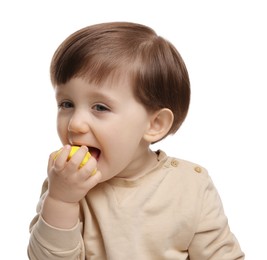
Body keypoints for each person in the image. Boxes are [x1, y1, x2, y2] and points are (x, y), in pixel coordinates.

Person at [28, 22, 245, 259]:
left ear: (155, 125)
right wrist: (61, 201)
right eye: (66, 104)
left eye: (100, 107)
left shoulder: (191, 186)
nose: (75, 124)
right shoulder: (65, 186)